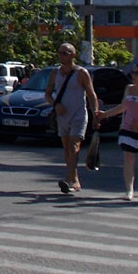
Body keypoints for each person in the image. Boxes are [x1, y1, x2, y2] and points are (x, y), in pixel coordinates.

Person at [98, 62, 138, 200]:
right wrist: (105, 114)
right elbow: (123, 107)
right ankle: (129, 190)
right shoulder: (129, 89)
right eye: (133, 72)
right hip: (128, 128)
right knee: (128, 158)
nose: (134, 76)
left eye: (137, 73)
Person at [45, 42, 99, 194]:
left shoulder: (81, 73)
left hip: (78, 114)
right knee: (67, 147)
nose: (61, 55)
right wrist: (55, 105)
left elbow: (91, 94)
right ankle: (75, 180)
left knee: (74, 146)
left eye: (65, 52)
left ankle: (68, 180)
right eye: (60, 52)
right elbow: (48, 94)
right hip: (62, 115)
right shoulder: (55, 73)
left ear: (73, 55)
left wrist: (96, 114)